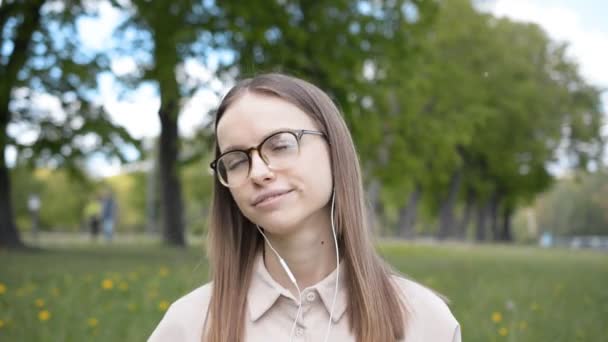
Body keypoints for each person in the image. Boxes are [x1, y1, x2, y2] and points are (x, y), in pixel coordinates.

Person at [148, 73, 461, 342]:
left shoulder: (424, 322)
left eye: (281, 145)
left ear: (333, 149)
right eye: (237, 160)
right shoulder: (189, 325)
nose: (258, 172)